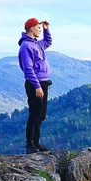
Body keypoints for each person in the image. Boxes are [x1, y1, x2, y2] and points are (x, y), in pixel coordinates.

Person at [18, 17, 53, 154]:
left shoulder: (37, 44)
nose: (39, 30)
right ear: (31, 28)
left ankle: (36, 142)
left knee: (41, 114)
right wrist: (37, 86)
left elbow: (48, 41)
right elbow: (28, 69)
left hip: (42, 83)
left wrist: (46, 30)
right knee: (34, 114)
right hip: (35, 85)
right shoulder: (26, 46)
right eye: (38, 28)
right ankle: (30, 145)